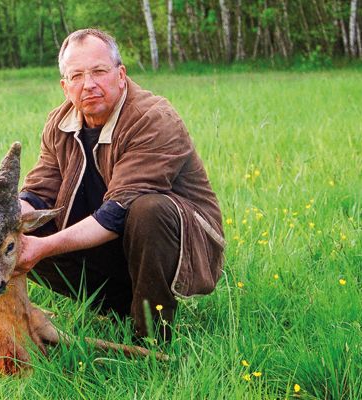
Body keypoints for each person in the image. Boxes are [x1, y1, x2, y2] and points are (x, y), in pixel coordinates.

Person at [15, 28, 225, 341]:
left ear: (121, 75)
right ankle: (120, 307)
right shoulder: (60, 123)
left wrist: (43, 248)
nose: (89, 84)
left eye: (99, 71)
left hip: (180, 243)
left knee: (148, 210)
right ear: (65, 85)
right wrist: (7, 216)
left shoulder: (152, 118)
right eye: (77, 76)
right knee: (22, 227)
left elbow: (118, 211)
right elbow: (39, 191)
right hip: (116, 244)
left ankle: (152, 337)